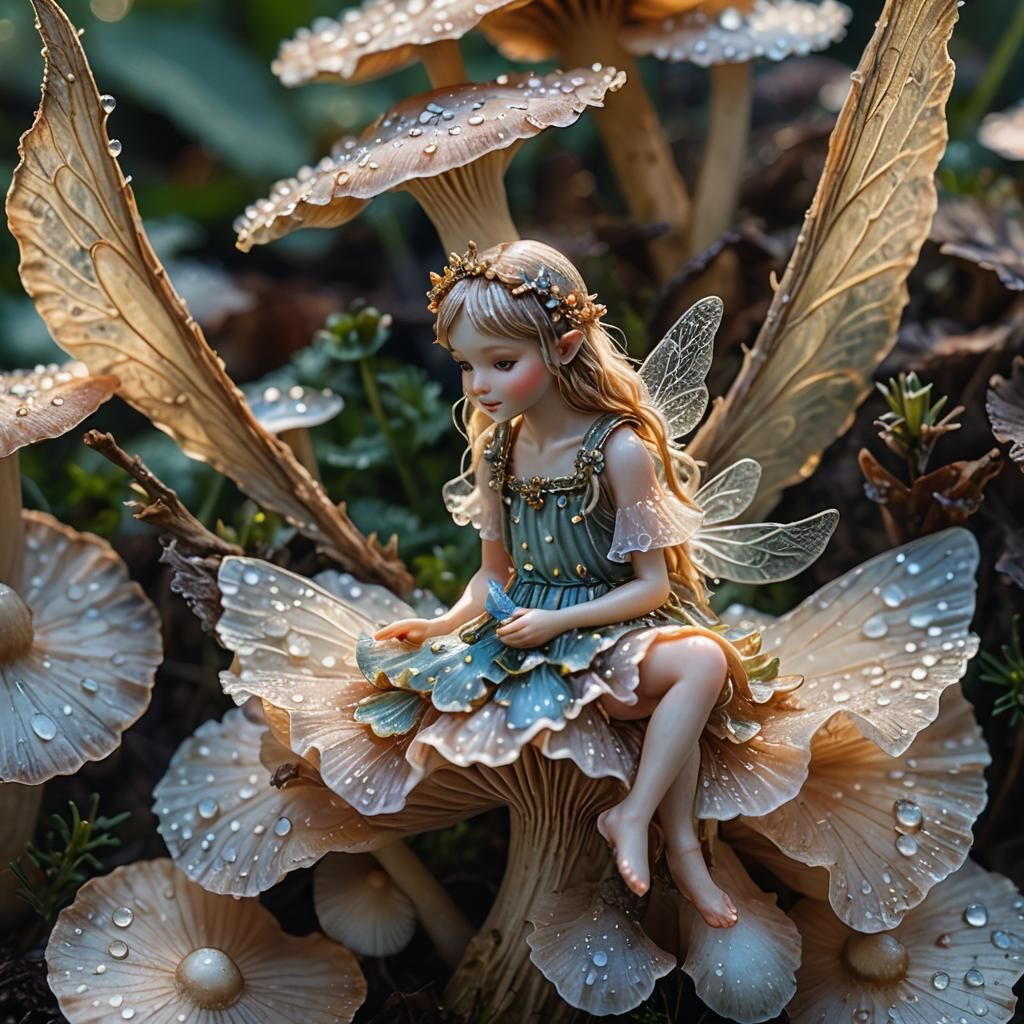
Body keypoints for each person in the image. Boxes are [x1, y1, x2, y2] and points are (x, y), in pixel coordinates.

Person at [367, 239, 758, 928]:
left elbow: (652, 590)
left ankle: (638, 818)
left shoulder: (620, 450)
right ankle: (683, 851)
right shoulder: (497, 451)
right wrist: (438, 626)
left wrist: (560, 623)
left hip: (612, 632)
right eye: (465, 365)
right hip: (523, 640)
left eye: (501, 363)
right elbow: (494, 576)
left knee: (699, 660)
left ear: (567, 346)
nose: (479, 385)